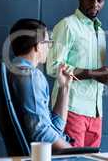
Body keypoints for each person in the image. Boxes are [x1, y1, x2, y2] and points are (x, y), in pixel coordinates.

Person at [46, 0, 108, 147]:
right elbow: (52, 67)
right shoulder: (67, 25)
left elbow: (97, 72)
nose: (95, 4)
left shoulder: (100, 32)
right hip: (71, 109)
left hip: (96, 113)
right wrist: (94, 74)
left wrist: (107, 75)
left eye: (100, 0)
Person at [8, 18, 73, 150]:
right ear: (38, 45)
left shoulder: (15, 69)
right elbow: (41, 132)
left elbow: (54, 128)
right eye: (48, 42)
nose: (49, 47)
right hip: (44, 153)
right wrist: (73, 152)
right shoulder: (31, 76)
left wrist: (64, 87)